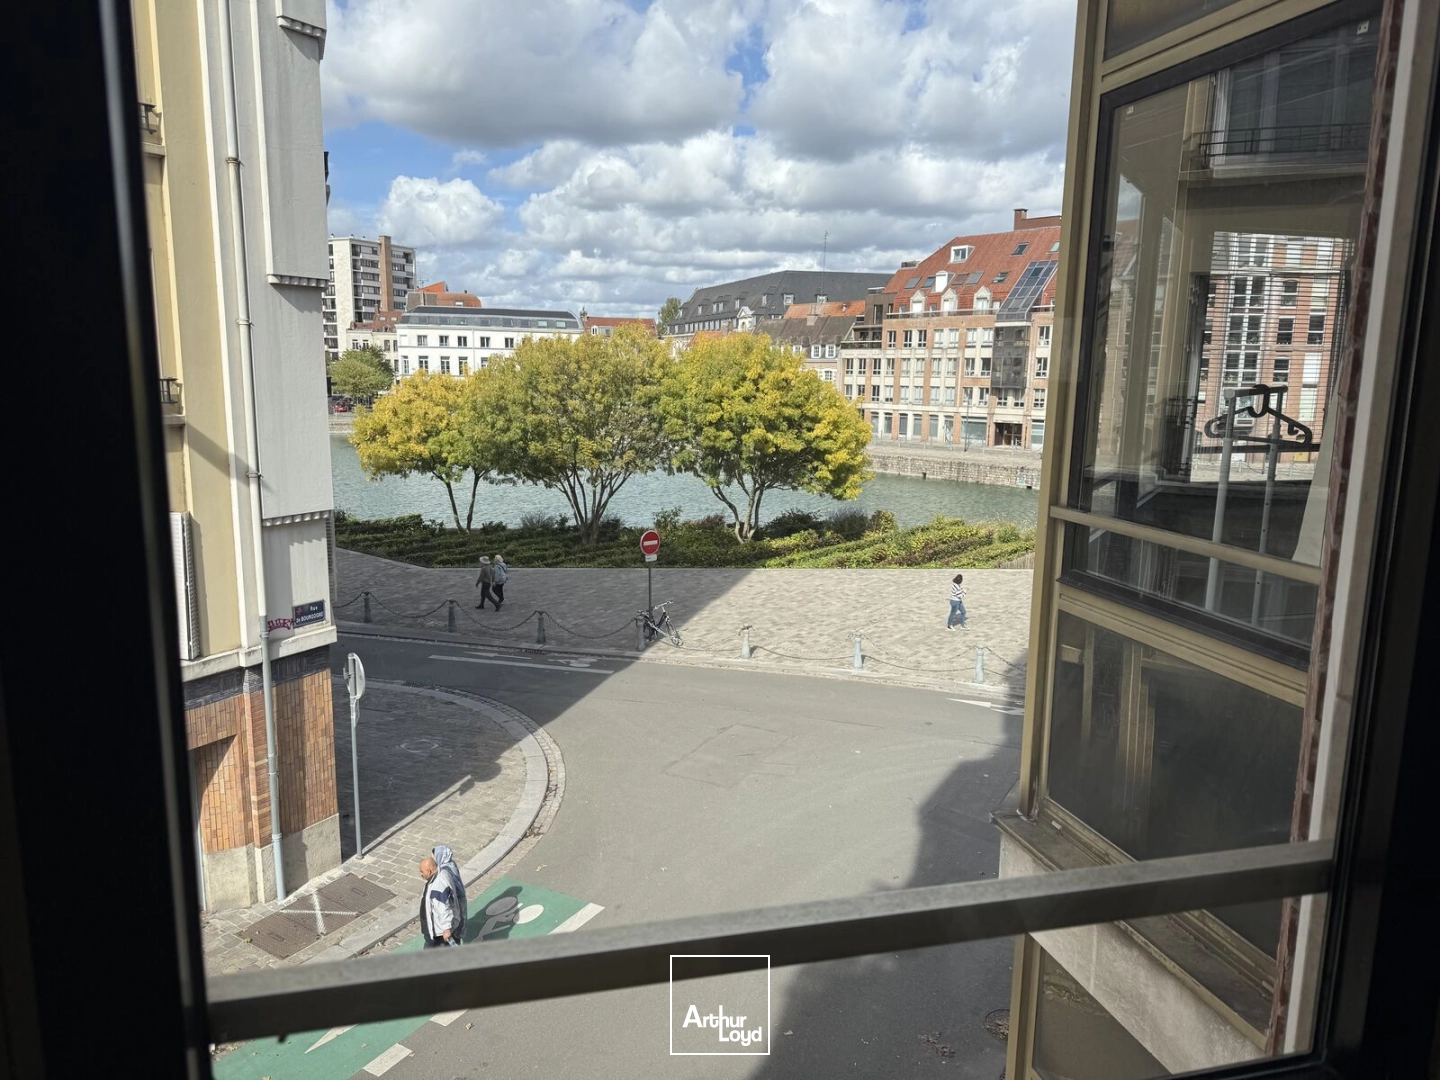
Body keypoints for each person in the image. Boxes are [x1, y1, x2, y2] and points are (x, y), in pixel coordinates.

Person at [419, 853, 463, 948]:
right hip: (437, 927)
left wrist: (446, 929)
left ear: (429, 871)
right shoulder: (443, 873)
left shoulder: (438, 887)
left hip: (438, 930)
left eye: (422, 872)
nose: (421, 875)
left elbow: (444, 908)